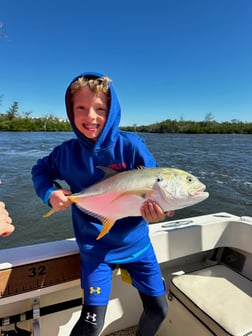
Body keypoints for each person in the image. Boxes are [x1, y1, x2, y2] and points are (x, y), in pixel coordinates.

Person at [31, 72, 172, 336]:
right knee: (91, 324)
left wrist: (163, 211)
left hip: (138, 246)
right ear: (70, 112)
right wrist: (50, 192)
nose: (91, 117)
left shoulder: (131, 147)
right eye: (81, 108)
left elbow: (156, 187)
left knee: (159, 310)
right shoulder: (65, 154)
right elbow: (40, 170)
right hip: (95, 251)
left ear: (112, 110)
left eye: (100, 109)